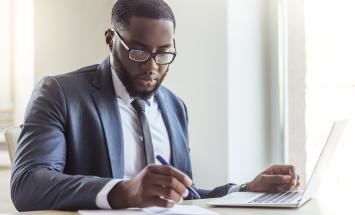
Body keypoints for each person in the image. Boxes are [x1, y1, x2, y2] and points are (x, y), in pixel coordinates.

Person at [11, 0, 299, 211]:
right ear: (111, 40)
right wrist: (123, 191)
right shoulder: (61, 93)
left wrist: (246, 190)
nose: (151, 66)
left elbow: (183, 195)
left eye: (163, 54)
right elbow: (28, 184)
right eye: (139, 51)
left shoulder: (174, 106)